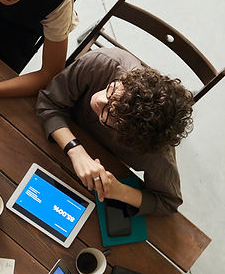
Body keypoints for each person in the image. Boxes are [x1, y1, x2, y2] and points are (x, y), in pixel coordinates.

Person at [36, 48, 194, 215]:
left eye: (110, 114)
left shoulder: (156, 151)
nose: (100, 99)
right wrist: (76, 151)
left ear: (130, 136)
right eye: (112, 91)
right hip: (51, 141)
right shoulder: (103, 63)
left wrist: (119, 191)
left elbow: (168, 202)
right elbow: (48, 102)